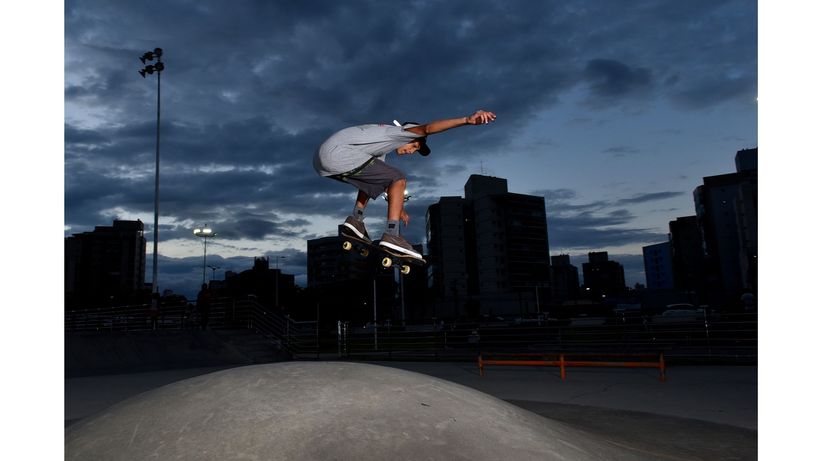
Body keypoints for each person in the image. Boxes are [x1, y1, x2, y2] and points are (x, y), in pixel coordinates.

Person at [314, 109, 497, 258]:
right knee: (399, 176)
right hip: (340, 154)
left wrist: (399, 208)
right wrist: (466, 120)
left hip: (323, 161)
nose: (411, 151)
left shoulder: (379, 146)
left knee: (375, 181)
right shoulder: (400, 132)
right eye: (414, 146)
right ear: (410, 135)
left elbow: (375, 184)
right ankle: (392, 235)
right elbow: (428, 128)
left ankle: (355, 220)